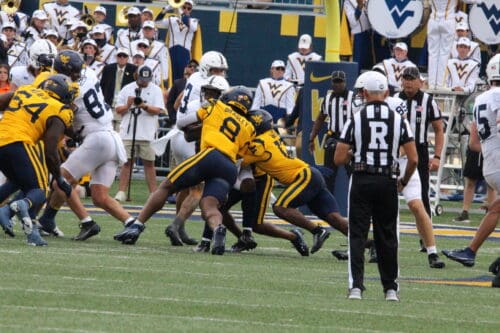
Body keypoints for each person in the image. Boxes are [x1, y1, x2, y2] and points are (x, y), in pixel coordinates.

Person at [113, 86, 256, 255]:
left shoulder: (215, 105)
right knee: (210, 206)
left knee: (167, 186)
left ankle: (136, 226)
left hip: (211, 154)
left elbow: (181, 123)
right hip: (230, 167)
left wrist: (204, 127)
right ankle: (218, 228)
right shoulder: (250, 128)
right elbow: (241, 154)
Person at [335, 71, 418, 301]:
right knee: (388, 235)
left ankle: (356, 287)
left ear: (364, 93)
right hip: (387, 180)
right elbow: (413, 159)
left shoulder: (356, 118)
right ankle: (390, 288)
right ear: (386, 93)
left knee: (358, 235)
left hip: (362, 178)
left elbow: (339, 157)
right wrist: (402, 181)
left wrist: (354, 151)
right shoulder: (398, 119)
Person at [37, 65, 135, 241]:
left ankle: (86, 222)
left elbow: (65, 112)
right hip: (112, 137)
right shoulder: (89, 73)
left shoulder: (70, 87)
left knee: (61, 181)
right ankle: (132, 224)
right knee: (99, 196)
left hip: (96, 139)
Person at [242, 109, 349, 255]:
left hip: (304, 176)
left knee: (280, 207)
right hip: (310, 174)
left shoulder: (258, 145)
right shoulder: (270, 135)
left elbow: (238, 162)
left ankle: (317, 230)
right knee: (334, 218)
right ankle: (371, 244)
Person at [0, 74, 77, 246]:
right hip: (19, 143)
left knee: (18, 181)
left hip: (2, 138)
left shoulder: (26, 90)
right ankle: (19, 206)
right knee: (39, 189)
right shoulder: (60, 109)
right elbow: (50, 150)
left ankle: (26, 229)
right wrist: (58, 177)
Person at [442, 54, 500, 277]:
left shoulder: (481, 98)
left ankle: (470, 251)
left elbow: (474, 142)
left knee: (495, 208)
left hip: (489, 165)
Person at [165, 76, 230, 247]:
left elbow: (178, 112)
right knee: (197, 192)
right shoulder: (214, 108)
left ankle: (180, 228)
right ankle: (175, 225)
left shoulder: (194, 97)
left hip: (177, 139)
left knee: (183, 189)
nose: (209, 95)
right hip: (194, 147)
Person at [396, 66, 443, 218]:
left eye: (412, 79)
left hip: (419, 149)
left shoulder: (428, 100)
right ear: (401, 81)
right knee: (388, 190)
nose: (408, 83)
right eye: (406, 79)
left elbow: (438, 129)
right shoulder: (395, 99)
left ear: (419, 82)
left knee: (423, 193)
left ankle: (426, 236)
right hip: (398, 151)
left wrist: (437, 157)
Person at [114, 65, 165, 201]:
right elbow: (118, 110)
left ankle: (154, 194)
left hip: (147, 133)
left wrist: (144, 106)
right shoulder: (127, 88)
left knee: (149, 163)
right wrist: (128, 105)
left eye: (147, 79)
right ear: (137, 76)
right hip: (128, 132)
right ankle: (121, 192)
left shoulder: (156, 90)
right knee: (127, 163)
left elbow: (159, 110)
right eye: (142, 78)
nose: (144, 82)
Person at [308, 70, 354, 192]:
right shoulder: (328, 98)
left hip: (349, 140)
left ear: (345, 82)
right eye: (335, 82)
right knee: (328, 175)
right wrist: (312, 138)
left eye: (340, 82)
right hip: (332, 138)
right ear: (331, 83)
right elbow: (320, 118)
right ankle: (329, 208)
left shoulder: (353, 97)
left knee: (352, 174)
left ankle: (355, 205)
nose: (337, 84)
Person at [425, 0, 477, 89]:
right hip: (448, 20)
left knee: (433, 54)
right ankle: (440, 84)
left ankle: (432, 84)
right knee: (444, 54)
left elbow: (427, 4)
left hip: (433, 20)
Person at [156, 0, 199, 81]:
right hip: (171, 51)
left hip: (184, 52)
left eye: (188, 8)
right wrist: (165, 9)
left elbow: (191, 27)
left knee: (182, 77)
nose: (186, 9)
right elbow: (157, 23)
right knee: (170, 76)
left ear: (191, 10)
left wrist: (180, 12)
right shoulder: (172, 19)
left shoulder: (194, 20)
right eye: (184, 7)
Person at [100, 48, 138, 132]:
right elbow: (102, 86)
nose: (122, 58)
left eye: (124, 56)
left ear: (128, 58)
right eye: (119, 55)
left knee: (119, 135)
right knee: (108, 133)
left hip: (123, 107)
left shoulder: (134, 69)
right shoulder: (108, 69)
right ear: (116, 57)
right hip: (109, 106)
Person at [251, 60, 295, 129]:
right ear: (272, 69)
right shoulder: (262, 82)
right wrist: (253, 114)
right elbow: (257, 101)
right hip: (264, 113)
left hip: (280, 116)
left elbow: (290, 105)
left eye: (282, 69)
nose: (280, 70)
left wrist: (290, 119)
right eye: (278, 68)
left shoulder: (289, 86)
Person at [134, 20, 170, 88]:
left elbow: (164, 64)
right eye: (145, 28)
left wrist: (164, 79)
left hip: (153, 78)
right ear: (142, 30)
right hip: (136, 76)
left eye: (150, 29)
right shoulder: (135, 43)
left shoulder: (161, 46)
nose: (147, 31)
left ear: (154, 31)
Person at [343, 0, 373, 71]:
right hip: (358, 36)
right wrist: (359, 7)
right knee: (357, 66)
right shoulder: (348, 1)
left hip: (370, 34)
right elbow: (353, 21)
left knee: (369, 66)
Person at [166, 59, 198, 124]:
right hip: (179, 118)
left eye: (195, 66)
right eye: (190, 66)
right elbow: (170, 102)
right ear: (186, 68)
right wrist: (174, 119)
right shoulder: (178, 83)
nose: (192, 68)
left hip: (195, 119)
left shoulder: (200, 84)